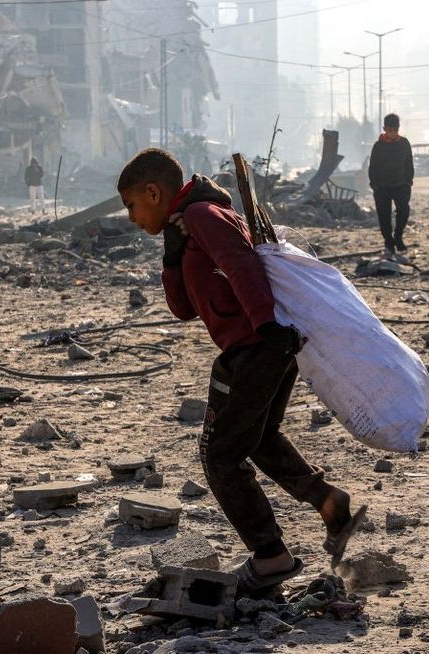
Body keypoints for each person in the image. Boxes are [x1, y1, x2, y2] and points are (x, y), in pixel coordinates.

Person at [117, 148, 367, 592]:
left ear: (153, 192)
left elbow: (241, 265)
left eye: (132, 206)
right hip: (259, 344)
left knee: (220, 455)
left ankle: (270, 555)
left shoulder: (203, 216)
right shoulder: (186, 226)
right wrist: (172, 259)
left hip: (258, 345)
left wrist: (266, 323)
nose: (132, 218)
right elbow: (181, 310)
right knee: (259, 438)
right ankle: (328, 502)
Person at [368, 113, 415, 260]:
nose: (392, 132)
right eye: (389, 129)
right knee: (384, 216)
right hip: (382, 187)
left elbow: (409, 164)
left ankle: (398, 235)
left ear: (398, 128)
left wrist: (408, 182)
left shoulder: (404, 143)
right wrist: (375, 185)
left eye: (394, 129)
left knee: (403, 210)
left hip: (401, 185)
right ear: (384, 129)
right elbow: (373, 167)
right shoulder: (378, 146)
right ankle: (389, 242)